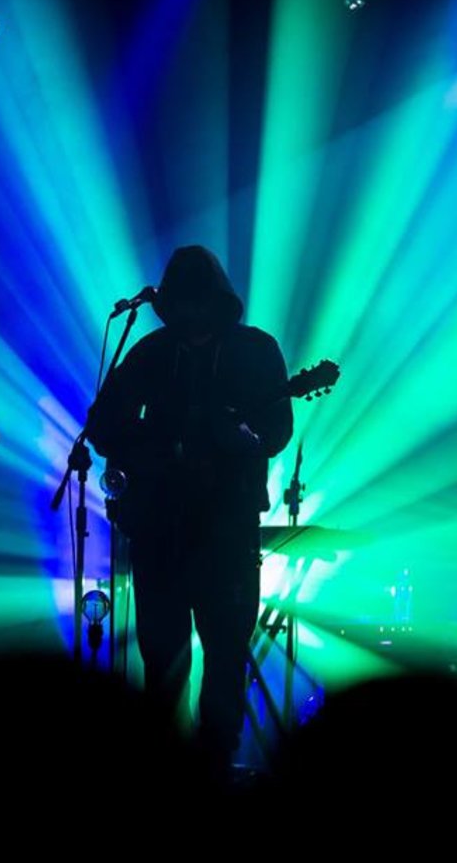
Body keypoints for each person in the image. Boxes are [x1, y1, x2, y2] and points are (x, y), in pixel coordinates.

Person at [85, 245, 293, 768]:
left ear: (215, 300)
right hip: (161, 531)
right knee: (162, 660)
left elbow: (277, 430)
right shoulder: (152, 352)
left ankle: (215, 766)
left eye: (197, 300)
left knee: (225, 656)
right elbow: (103, 426)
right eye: (180, 302)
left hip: (227, 531)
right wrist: (154, 447)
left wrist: (243, 438)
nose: (189, 311)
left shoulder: (255, 350)